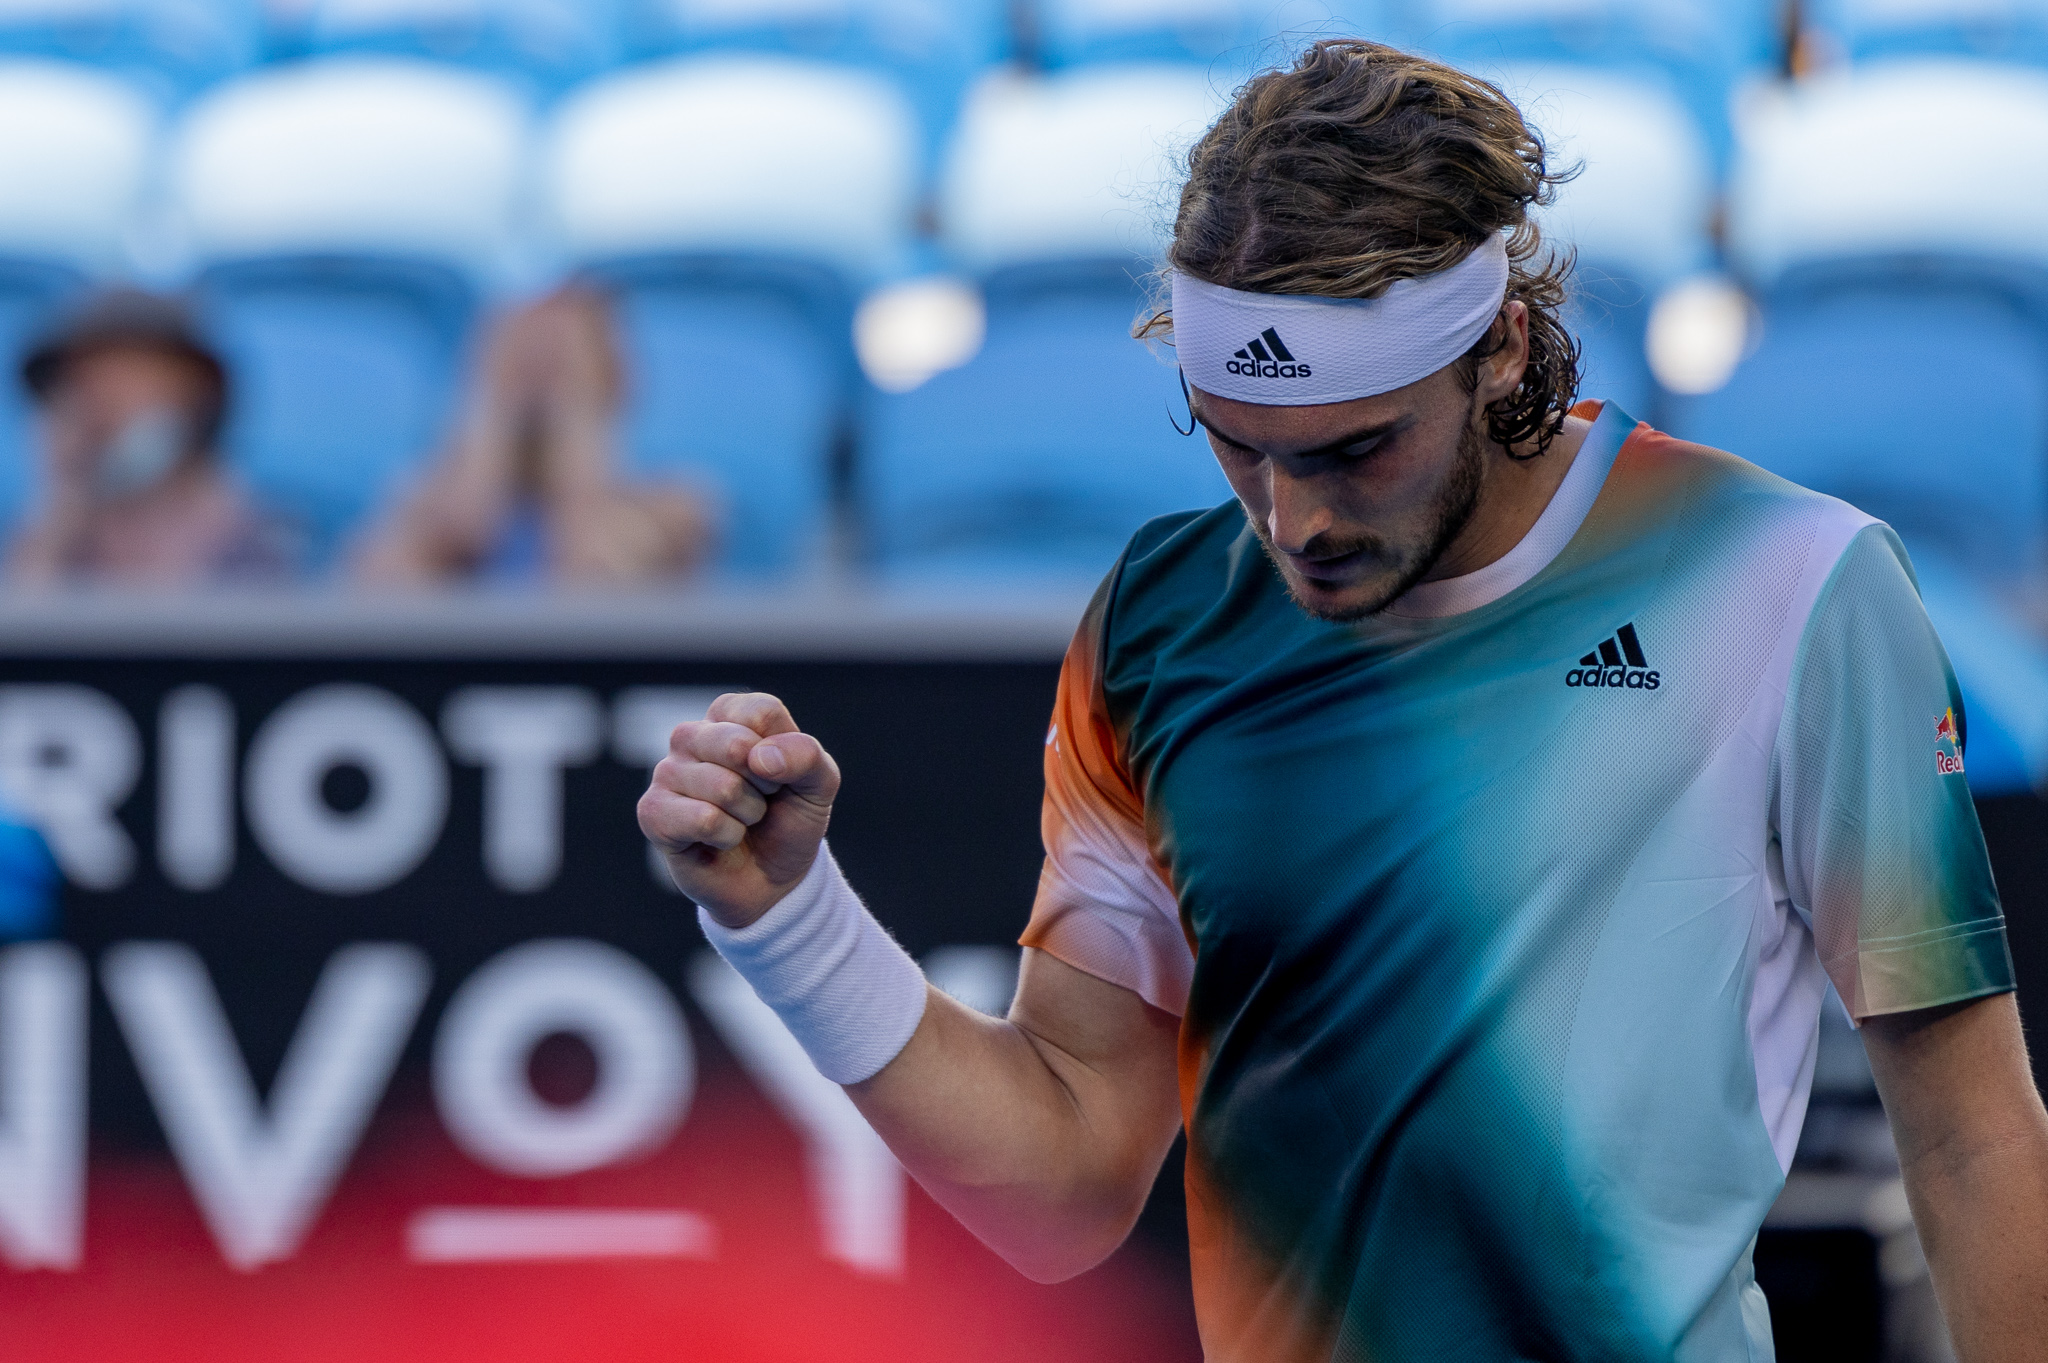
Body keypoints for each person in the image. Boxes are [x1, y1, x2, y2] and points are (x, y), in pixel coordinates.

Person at [638, 41, 2048, 1362]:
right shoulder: (1156, 621)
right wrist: (788, 919)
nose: (1292, 519)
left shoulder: (1792, 581)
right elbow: (1063, 1185)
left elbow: (1972, 1133)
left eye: (1355, 449)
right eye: (1237, 447)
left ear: (1502, 349)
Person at [352, 286, 714, 586]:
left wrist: (577, 426)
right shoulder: (418, 501)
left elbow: (591, 585)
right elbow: (378, 598)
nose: (538, 381)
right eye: (521, 359)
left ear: (612, 377)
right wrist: (489, 434)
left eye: (559, 360)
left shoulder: (672, 506)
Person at [8, 289, 295, 587]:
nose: (101, 412)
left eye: (127, 382)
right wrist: (60, 509)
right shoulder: (56, 536)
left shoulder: (261, 541)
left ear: (200, 397)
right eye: (84, 389)